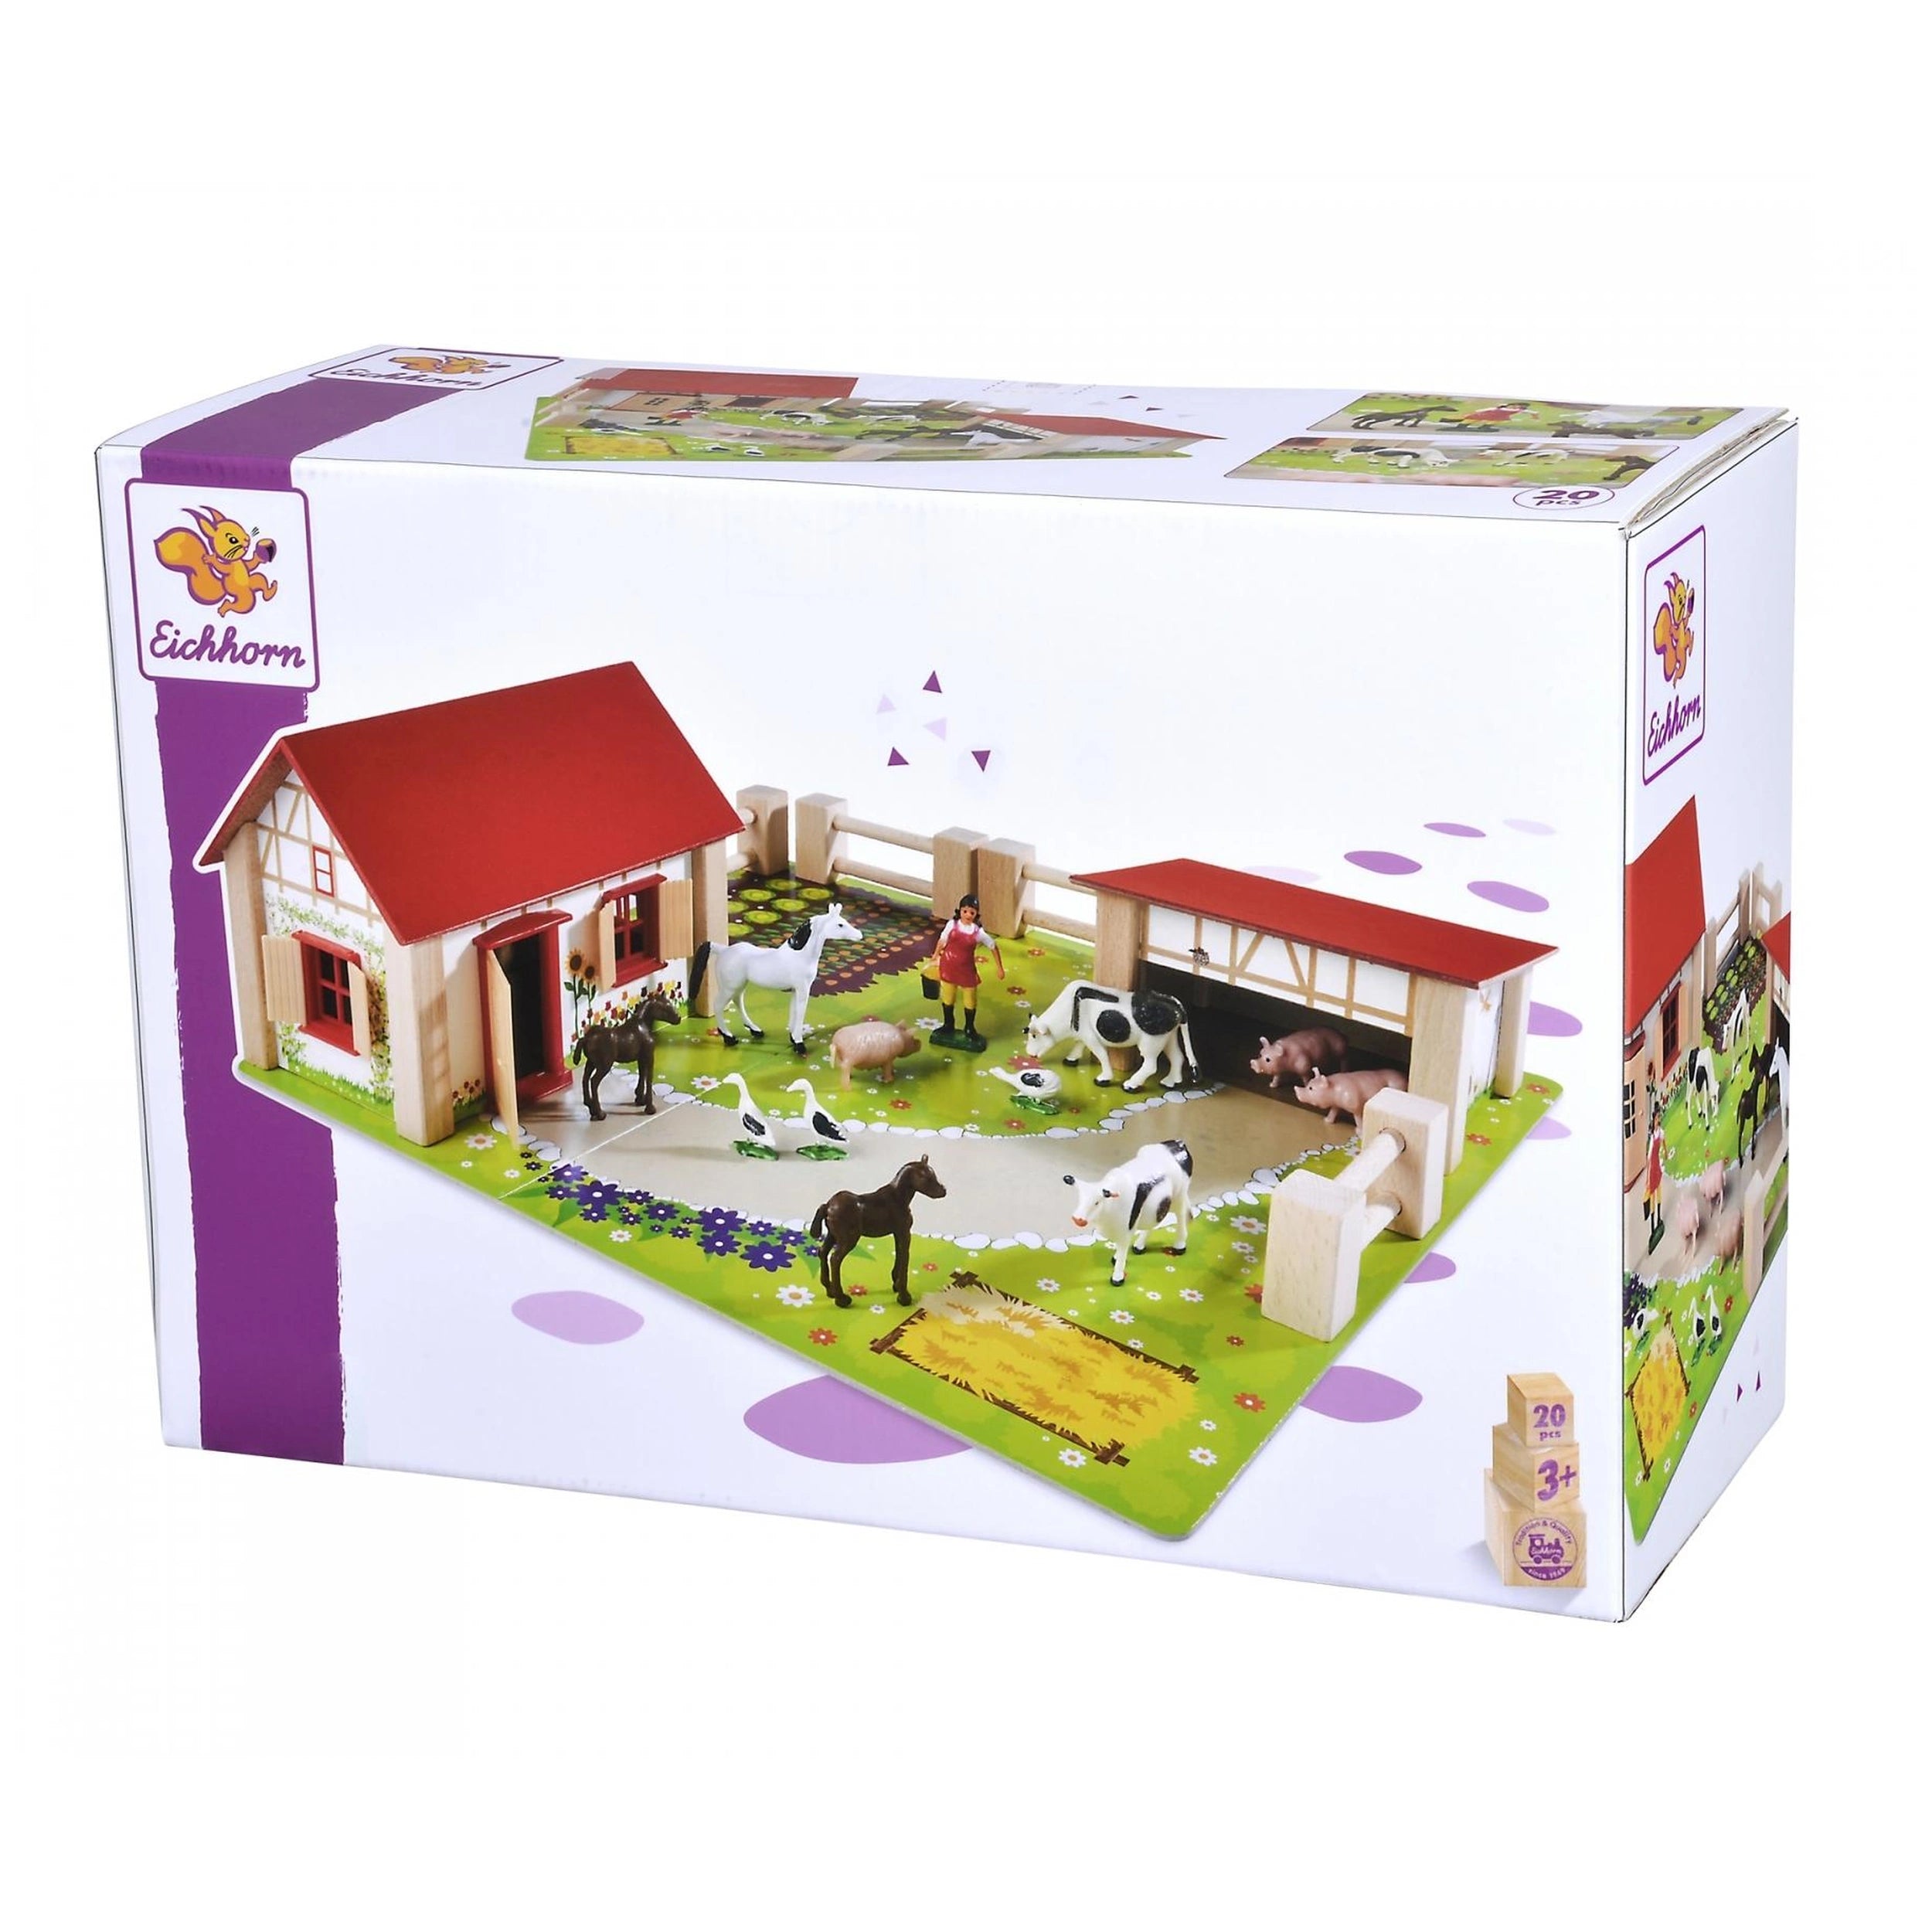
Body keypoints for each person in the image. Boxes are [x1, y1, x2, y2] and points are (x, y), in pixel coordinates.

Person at [930, 893, 1004, 1046]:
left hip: (967, 971)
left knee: (970, 999)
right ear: (960, 911)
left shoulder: (978, 932)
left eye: (972, 912)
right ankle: (948, 1024)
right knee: (948, 997)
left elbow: (993, 946)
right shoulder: (952, 925)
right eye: (965, 911)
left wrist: (1000, 968)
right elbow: (942, 940)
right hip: (949, 967)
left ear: (976, 914)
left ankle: (969, 1028)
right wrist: (935, 955)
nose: (968, 915)